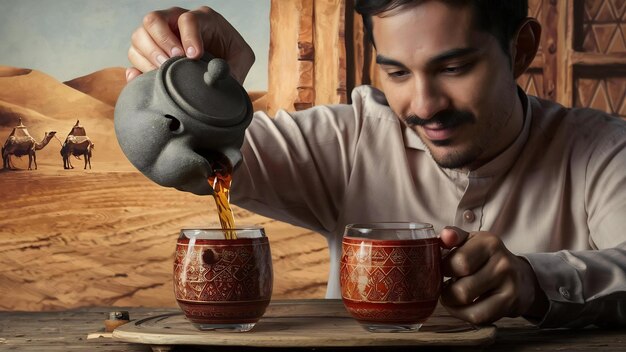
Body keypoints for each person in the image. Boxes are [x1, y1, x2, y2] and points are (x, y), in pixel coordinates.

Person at [125, 1, 626, 328]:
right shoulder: (345, 139)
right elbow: (186, 161)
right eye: (397, 72)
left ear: (520, 50)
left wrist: (533, 281)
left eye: (453, 68)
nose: (424, 105)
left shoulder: (602, 149)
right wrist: (188, 88)